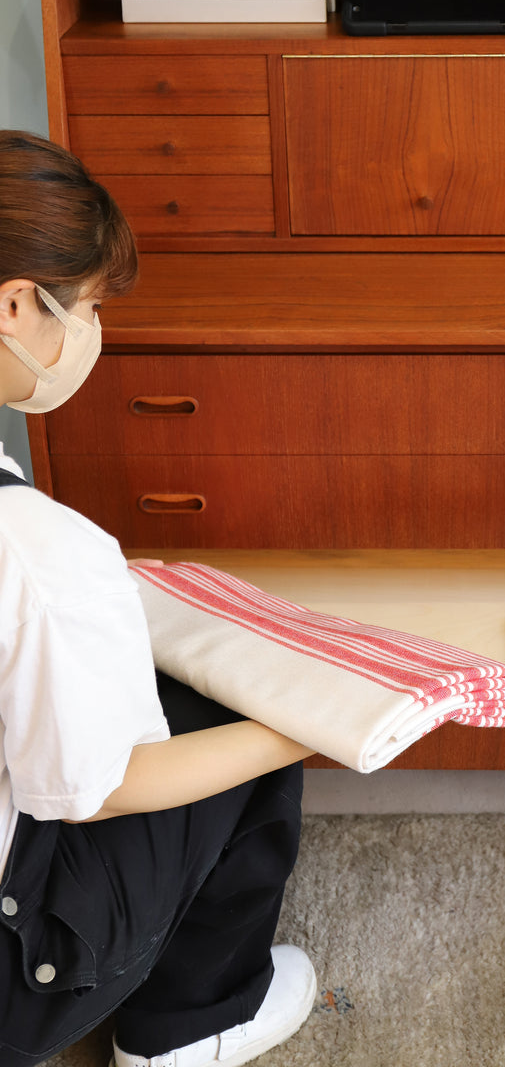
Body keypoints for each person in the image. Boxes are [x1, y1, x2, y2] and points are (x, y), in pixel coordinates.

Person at [0, 131, 318, 1067]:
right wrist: (297, 725)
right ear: (16, 304)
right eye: (88, 307)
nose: (91, 334)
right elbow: (98, 791)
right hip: (17, 965)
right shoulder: (35, 547)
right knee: (231, 715)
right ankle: (192, 1029)